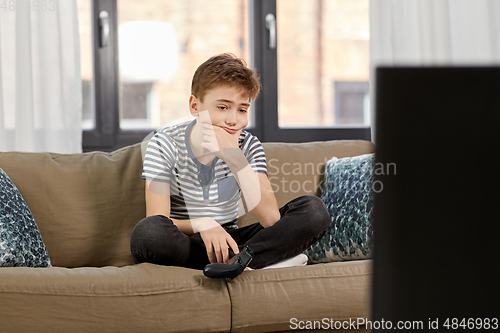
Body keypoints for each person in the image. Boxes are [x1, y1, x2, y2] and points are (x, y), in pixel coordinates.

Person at [130, 53, 330, 276]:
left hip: (234, 243)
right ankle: (251, 263)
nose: (234, 120)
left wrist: (234, 157)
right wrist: (203, 224)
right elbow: (158, 218)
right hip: (188, 243)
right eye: (223, 107)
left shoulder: (248, 145)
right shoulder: (164, 144)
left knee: (314, 211)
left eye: (242, 110)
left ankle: (238, 262)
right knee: (147, 233)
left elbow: (271, 219)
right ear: (195, 106)